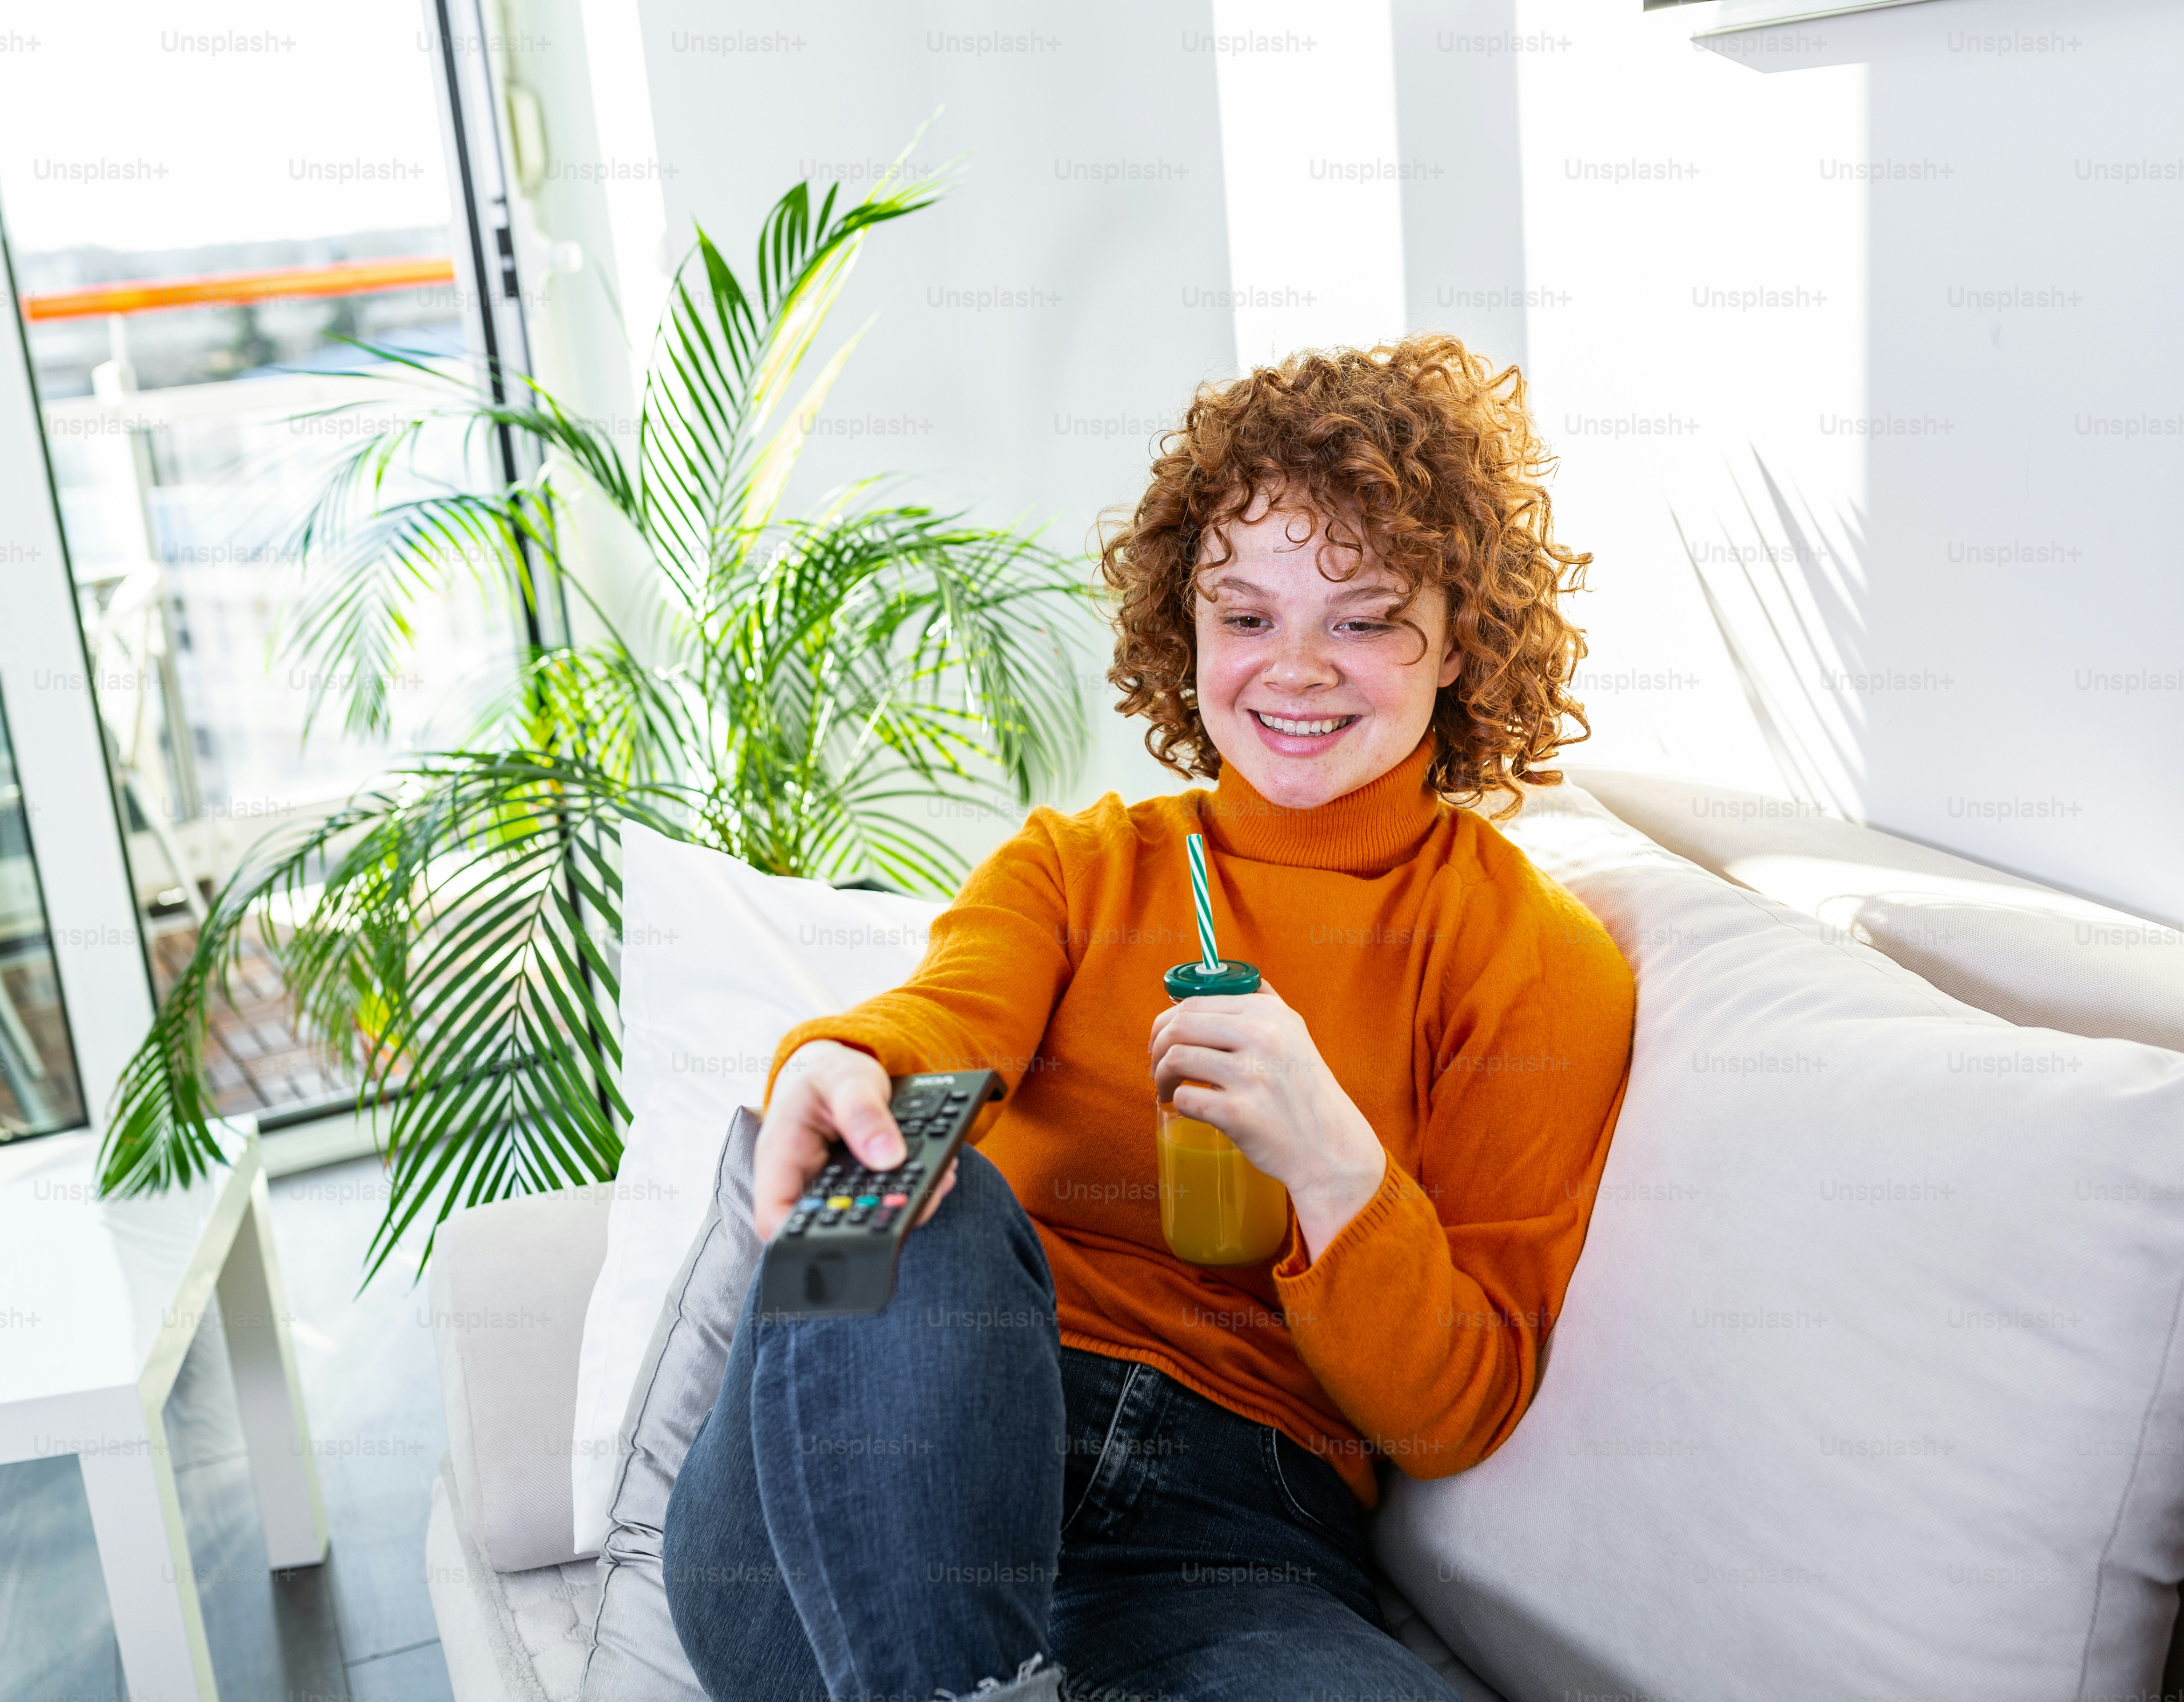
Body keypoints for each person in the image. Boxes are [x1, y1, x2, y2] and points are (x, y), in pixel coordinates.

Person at [663, 332, 1636, 1702]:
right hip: (873, 1478)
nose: (1293, 670)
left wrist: (1334, 1162)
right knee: (905, 1186)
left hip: (1232, 1547)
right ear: (1187, 631)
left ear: (1464, 635)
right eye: (1246, 617)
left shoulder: (1534, 961)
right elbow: (945, 1016)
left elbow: (1452, 1414)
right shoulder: (1077, 869)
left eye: (1360, 618)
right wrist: (844, 1062)